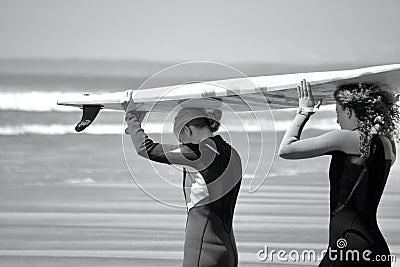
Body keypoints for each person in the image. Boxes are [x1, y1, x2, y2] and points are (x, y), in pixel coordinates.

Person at [278, 80, 399, 266]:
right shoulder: (388, 145)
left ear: (349, 111)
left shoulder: (345, 138)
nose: (337, 120)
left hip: (347, 248)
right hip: (377, 250)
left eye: (338, 112)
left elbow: (286, 149)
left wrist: (304, 112)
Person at [122, 98, 242, 267]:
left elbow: (145, 148)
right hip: (229, 253)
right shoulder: (232, 153)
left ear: (187, 129)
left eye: (181, 138)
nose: (181, 144)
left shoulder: (198, 153)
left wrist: (131, 116)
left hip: (203, 251)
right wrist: (132, 128)